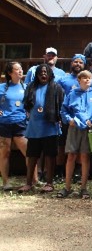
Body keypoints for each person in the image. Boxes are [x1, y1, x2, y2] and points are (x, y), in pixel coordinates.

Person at [19, 64, 64, 193]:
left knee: (50, 156)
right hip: (34, 127)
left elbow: (61, 105)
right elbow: (26, 104)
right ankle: (29, 183)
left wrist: (59, 119)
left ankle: (49, 183)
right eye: (40, 73)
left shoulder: (56, 88)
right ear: (37, 75)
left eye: (45, 72)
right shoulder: (31, 87)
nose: (43, 74)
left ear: (50, 74)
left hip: (50, 127)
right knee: (32, 156)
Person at [58, 70, 92, 199]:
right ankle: (67, 187)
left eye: (89, 78)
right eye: (84, 78)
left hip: (89, 130)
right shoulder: (72, 94)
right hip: (74, 127)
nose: (87, 80)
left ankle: (83, 188)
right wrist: (69, 120)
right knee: (71, 155)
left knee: (85, 157)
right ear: (79, 80)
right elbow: (64, 110)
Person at [0, 62, 27, 191]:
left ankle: (33, 181)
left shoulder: (26, 87)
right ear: (10, 73)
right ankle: (6, 182)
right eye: (17, 69)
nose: (21, 71)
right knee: (5, 152)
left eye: (21, 69)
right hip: (4, 123)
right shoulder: (2, 88)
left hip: (21, 123)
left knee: (28, 152)